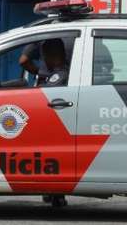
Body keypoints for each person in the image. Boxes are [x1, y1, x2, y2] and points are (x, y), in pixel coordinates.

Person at [37, 38, 70, 208]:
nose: (44, 60)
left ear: (50, 55)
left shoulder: (59, 75)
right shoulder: (59, 72)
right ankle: (55, 193)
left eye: (44, 56)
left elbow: (44, 97)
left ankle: (55, 191)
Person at [19, 0, 77, 75]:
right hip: (75, 81)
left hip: (48, 82)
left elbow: (23, 61)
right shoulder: (82, 30)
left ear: (57, 5)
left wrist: (41, 73)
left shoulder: (46, 30)